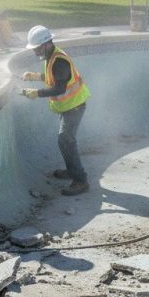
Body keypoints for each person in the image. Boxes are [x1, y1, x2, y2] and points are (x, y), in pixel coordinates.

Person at [21, 25, 90, 196]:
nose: (35, 52)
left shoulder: (59, 60)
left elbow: (59, 88)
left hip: (75, 106)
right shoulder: (51, 57)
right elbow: (54, 77)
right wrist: (37, 76)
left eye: (36, 49)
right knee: (64, 140)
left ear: (46, 44)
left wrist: (37, 93)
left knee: (66, 139)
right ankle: (71, 171)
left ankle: (80, 180)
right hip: (69, 106)